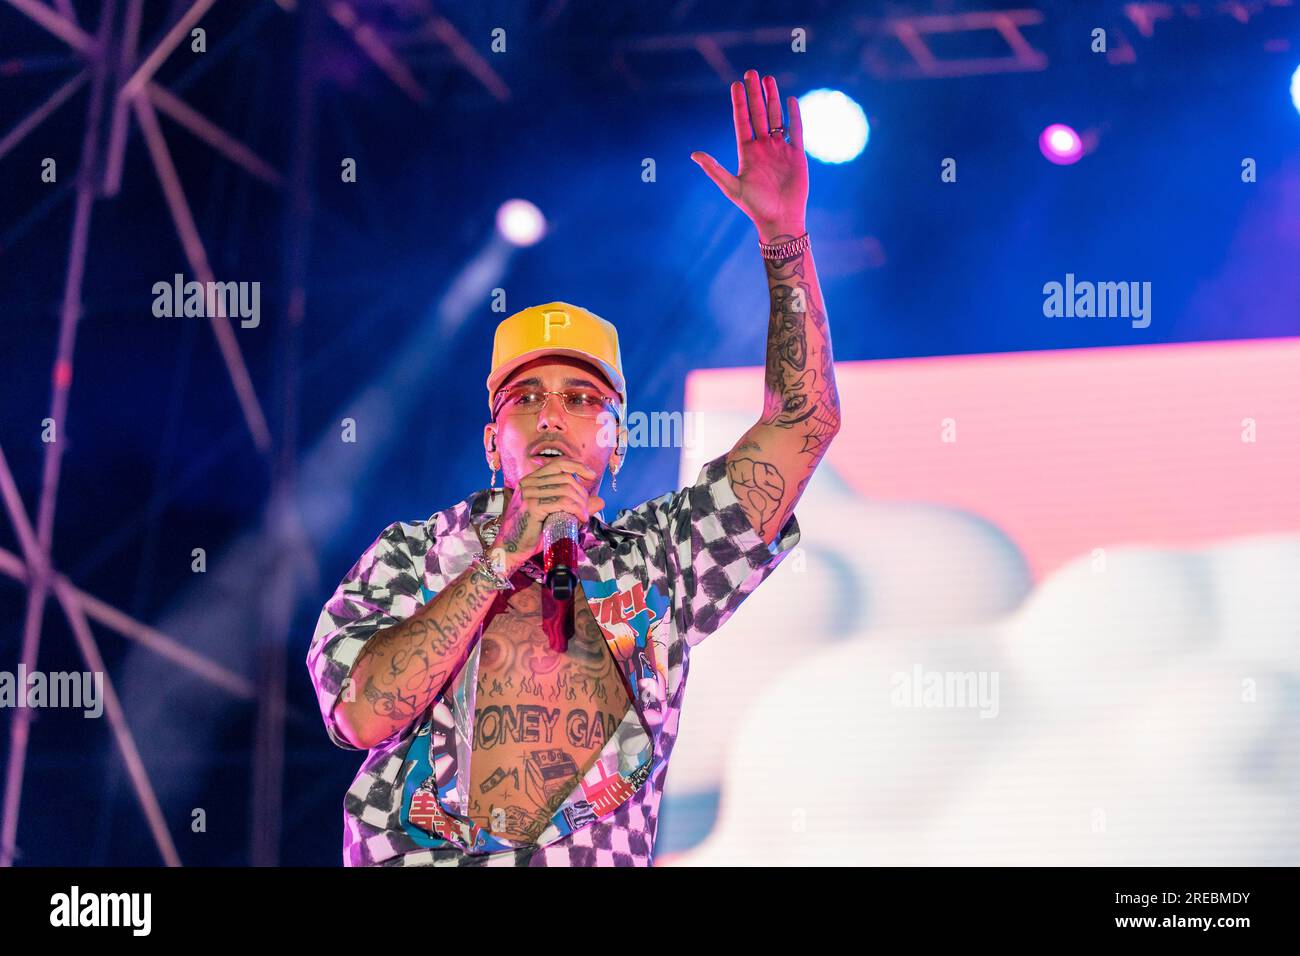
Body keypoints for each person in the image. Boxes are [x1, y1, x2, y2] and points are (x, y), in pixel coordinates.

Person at [306, 69, 840, 866]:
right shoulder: (412, 554)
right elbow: (360, 715)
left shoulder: (662, 560)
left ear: (618, 443)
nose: (553, 414)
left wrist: (783, 239)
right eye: (526, 398)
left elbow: (803, 423)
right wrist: (498, 562)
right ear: (494, 444)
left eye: (584, 398)